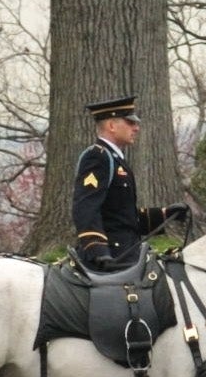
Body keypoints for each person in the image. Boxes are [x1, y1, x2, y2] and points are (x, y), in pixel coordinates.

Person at [70, 95, 170, 274]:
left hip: (127, 254)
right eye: (130, 122)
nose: (136, 128)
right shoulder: (98, 157)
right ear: (111, 126)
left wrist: (165, 215)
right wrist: (98, 251)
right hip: (111, 259)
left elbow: (121, 217)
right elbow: (85, 207)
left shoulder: (117, 159)